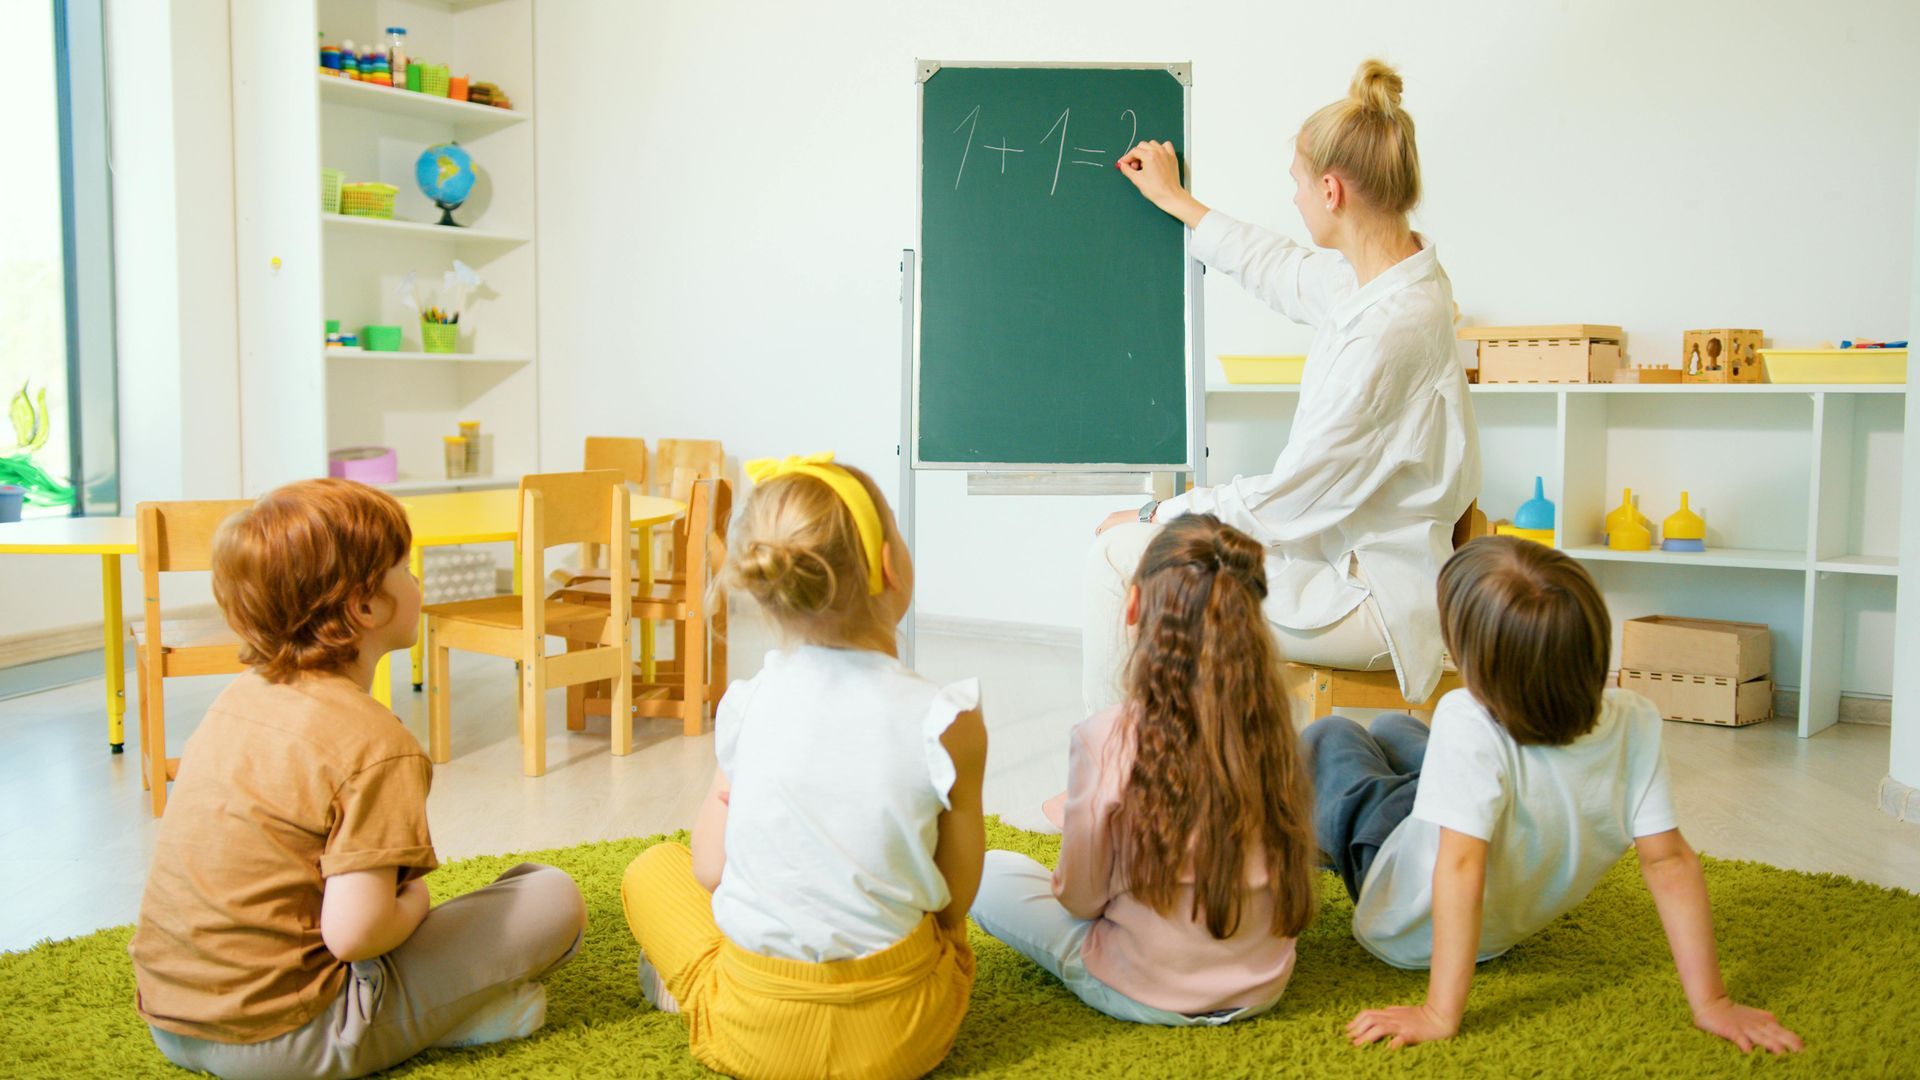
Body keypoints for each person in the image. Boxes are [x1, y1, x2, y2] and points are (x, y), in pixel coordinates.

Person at [130, 478, 587, 1079]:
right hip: (288, 1040)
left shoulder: (237, 698)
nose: (416, 580)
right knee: (551, 895)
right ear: (366, 606)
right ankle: (447, 1023)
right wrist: (416, 897)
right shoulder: (375, 743)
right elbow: (356, 934)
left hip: (170, 1020)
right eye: (405, 566)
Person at [1309, 536, 1802, 1054]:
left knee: (1333, 738)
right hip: (1497, 914)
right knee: (1393, 727)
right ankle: (1403, 778)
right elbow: (1670, 864)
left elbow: (1458, 868)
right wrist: (1712, 1002)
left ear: (1475, 665)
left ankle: (1330, 840)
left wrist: (1438, 1011)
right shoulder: (1634, 717)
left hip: (1400, 916)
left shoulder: (1465, 717)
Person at [1090, 58, 1479, 714]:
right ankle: (1151, 765)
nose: (1294, 198)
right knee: (1153, 546)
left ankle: (1106, 775)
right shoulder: (1390, 277)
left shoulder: (1384, 334)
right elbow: (1278, 266)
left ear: (1331, 191)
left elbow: (1282, 505)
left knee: (1117, 552)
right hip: (1362, 557)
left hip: (1366, 597)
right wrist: (1176, 201)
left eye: (1297, 183)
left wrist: (1157, 512)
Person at [620, 453, 987, 1080]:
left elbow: (709, 868)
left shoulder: (748, 705)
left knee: (653, 870)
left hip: (757, 1035)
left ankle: (687, 993)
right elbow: (954, 902)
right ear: (892, 567)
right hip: (905, 1034)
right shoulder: (948, 718)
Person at [972, 514, 1317, 1026]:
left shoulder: (1107, 736)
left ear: (1133, 606)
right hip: (1264, 985)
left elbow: (1082, 900)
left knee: (987, 871)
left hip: (1141, 988)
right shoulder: (1275, 731)